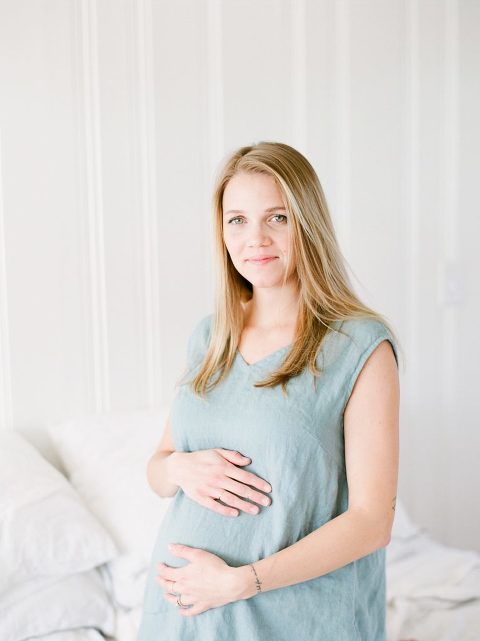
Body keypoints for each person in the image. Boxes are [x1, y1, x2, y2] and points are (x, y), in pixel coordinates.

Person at [136, 141, 402, 641]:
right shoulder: (210, 335)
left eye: (277, 218)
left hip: (292, 617)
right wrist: (176, 467)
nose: (254, 237)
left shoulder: (361, 346)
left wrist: (242, 583)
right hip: (183, 614)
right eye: (236, 219)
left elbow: (372, 522)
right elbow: (158, 470)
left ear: (307, 223)